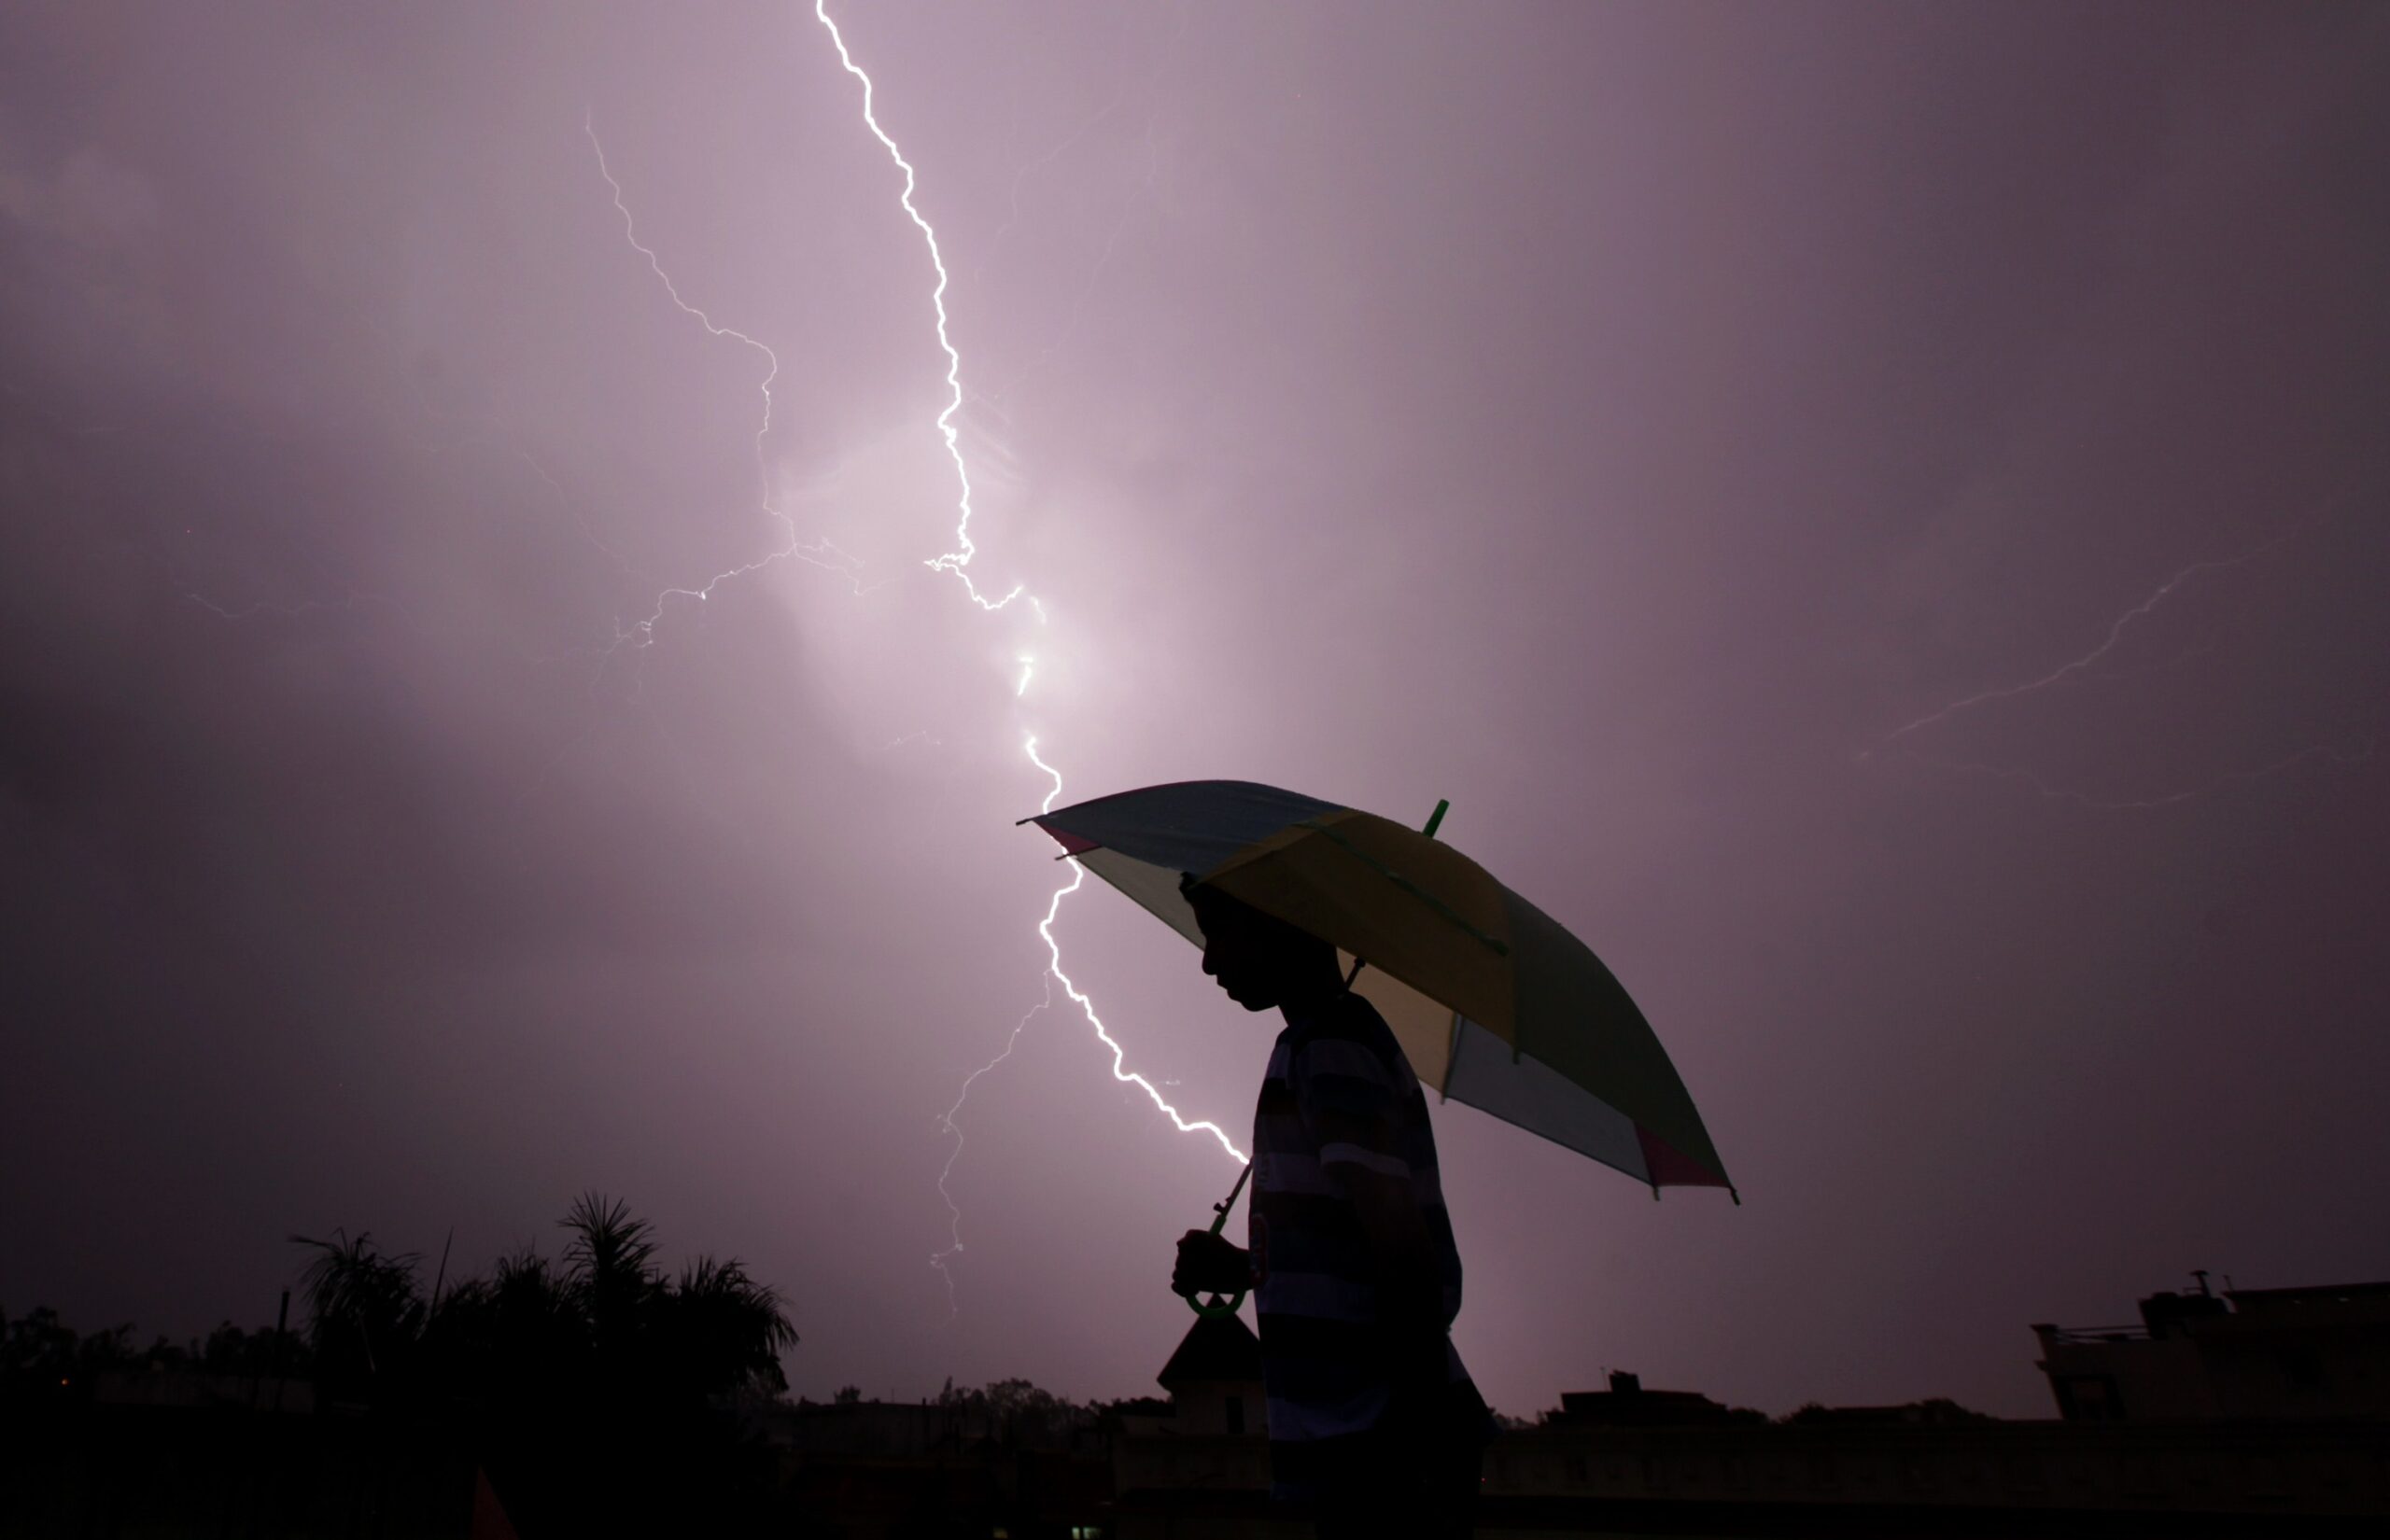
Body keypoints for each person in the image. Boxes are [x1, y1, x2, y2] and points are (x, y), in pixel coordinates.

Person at [1172, 875, 1492, 1538]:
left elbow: (1399, 1250)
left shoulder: (1333, 1049)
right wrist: (1242, 1267)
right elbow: (1338, 1245)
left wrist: (1424, 1442)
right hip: (1353, 1445)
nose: (1207, 961)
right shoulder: (1310, 1046)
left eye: (1219, 933)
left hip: (1379, 1446)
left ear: (1283, 923)